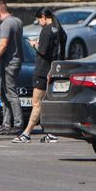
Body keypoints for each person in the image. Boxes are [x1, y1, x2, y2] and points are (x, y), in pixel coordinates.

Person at [13, 8, 65, 143]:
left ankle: (26, 134)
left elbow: (42, 51)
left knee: (36, 103)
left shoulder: (47, 30)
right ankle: (51, 133)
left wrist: (34, 44)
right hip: (55, 70)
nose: (38, 23)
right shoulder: (59, 29)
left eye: (38, 20)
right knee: (46, 103)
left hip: (43, 71)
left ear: (43, 17)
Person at [0, 1, 24, 135]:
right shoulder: (18, 21)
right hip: (16, 60)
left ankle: (17, 124)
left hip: (9, 63)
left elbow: (3, 44)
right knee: (5, 94)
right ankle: (6, 124)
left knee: (10, 93)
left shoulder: (6, 23)